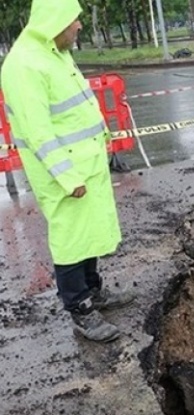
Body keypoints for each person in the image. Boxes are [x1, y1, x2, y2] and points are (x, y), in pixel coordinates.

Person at [1, 0, 134, 342]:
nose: (79, 26)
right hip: (66, 173)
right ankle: (80, 308)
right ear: (55, 19)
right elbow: (36, 131)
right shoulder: (24, 64)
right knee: (71, 239)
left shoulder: (55, 52)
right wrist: (67, 177)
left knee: (89, 231)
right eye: (74, 20)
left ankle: (94, 290)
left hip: (86, 164)